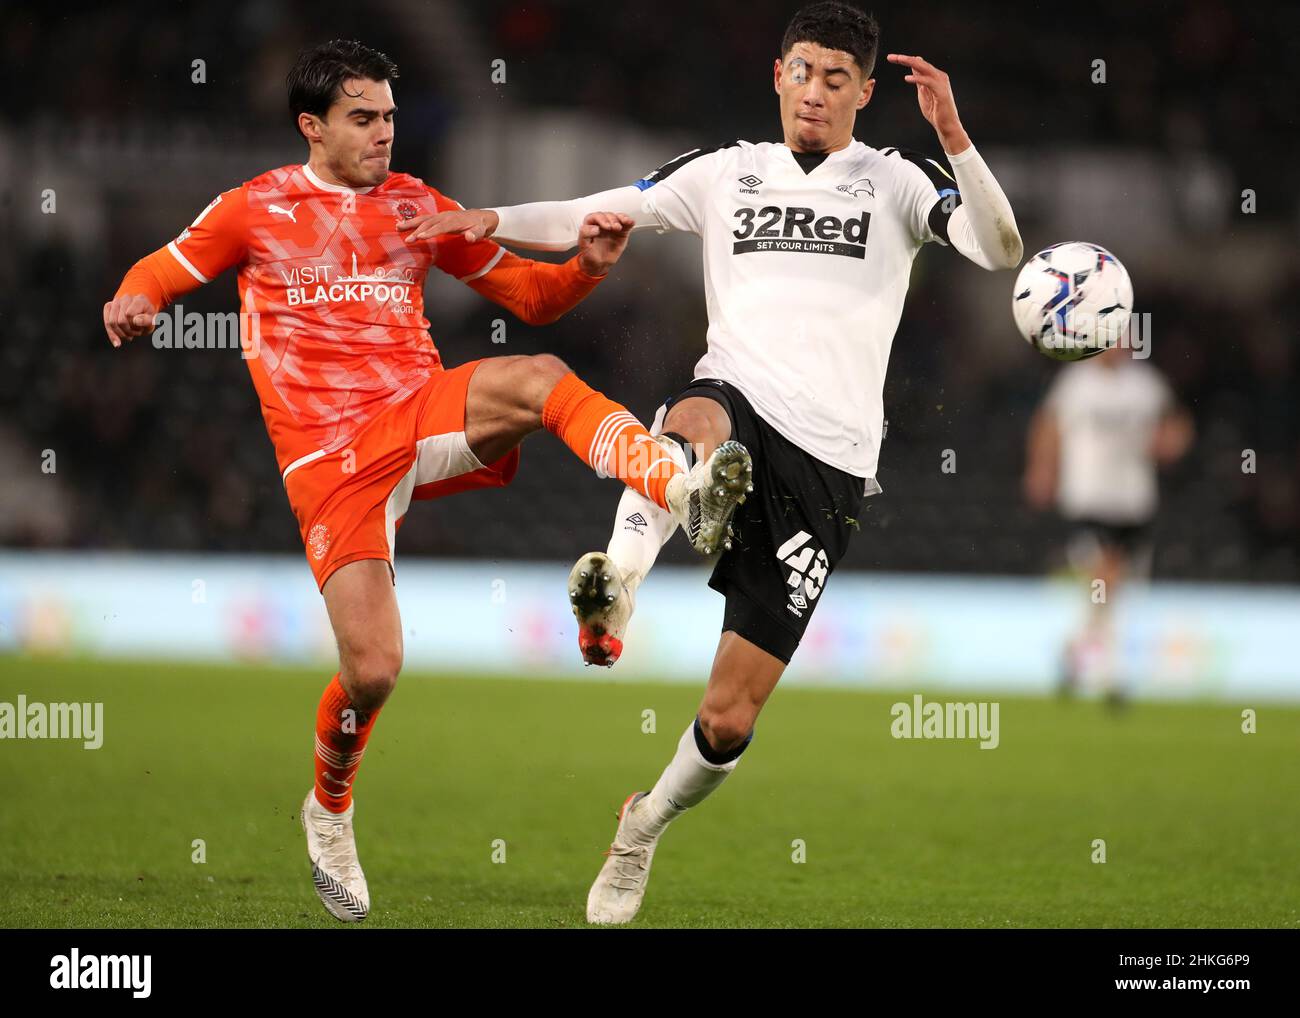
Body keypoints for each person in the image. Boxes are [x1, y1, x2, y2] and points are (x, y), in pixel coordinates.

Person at [101, 39, 751, 923]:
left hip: (416, 413)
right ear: (312, 125)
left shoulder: (416, 205)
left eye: (390, 117)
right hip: (326, 462)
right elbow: (161, 268)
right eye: (362, 118)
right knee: (372, 671)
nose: (383, 134)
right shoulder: (254, 209)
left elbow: (530, 296)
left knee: (536, 375)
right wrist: (133, 301)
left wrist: (586, 268)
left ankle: (674, 487)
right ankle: (329, 807)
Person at [401, 1, 1023, 924]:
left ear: (861, 91)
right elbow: (595, 210)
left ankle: (643, 824)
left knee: (730, 718)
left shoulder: (895, 182)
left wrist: (957, 138)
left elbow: (1001, 248)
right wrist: (479, 219)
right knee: (696, 416)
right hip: (737, 398)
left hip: (832, 464)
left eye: (838, 78)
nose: (816, 92)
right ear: (778, 76)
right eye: (803, 72)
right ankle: (620, 576)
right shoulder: (728, 172)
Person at [1024, 345, 1194, 703]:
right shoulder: (1075, 382)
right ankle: (1113, 677)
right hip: (1088, 500)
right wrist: (1042, 468)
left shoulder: (1146, 384)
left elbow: (1176, 425)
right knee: (1106, 578)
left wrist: (1169, 443)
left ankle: (1074, 654)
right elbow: (1049, 424)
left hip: (1133, 503)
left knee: (1107, 593)